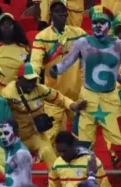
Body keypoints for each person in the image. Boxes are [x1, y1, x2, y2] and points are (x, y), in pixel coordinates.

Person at [50, 6, 121, 151]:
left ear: (109, 25)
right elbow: (67, 61)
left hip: (111, 98)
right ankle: (84, 165)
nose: (98, 25)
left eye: (102, 22)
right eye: (94, 22)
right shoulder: (82, 43)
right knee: (83, 144)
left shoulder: (120, 45)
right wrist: (57, 69)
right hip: (88, 98)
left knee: (118, 143)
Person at [0, 63, 85, 167]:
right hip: (16, 138)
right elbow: (0, 115)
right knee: (10, 165)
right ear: (19, 79)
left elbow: (59, 98)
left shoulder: (40, 89)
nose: (32, 83)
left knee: (47, 152)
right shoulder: (8, 93)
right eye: (28, 80)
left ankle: (58, 176)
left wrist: (73, 105)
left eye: (34, 80)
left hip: (35, 134)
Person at [29, 0, 86, 144]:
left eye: (63, 11)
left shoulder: (79, 34)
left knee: (83, 134)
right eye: (57, 11)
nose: (61, 14)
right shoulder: (42, 37)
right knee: (51, 137)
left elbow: (91, 54)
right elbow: (35, 62)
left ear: (67, 14)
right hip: (54, 95)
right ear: (51, 15)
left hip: (77, 94)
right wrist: (33, 80)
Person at [41, 131, 113, 187]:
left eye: (64, 151)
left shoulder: (91, 161)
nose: (62, 154)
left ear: (73, 145)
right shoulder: (57, 163)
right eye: (59, 151)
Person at [0, 13, 29, 85]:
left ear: (15, 27)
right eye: (3, 25)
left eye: (9, 24)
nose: (6, 27)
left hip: (17, 88)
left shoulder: (25, 49)